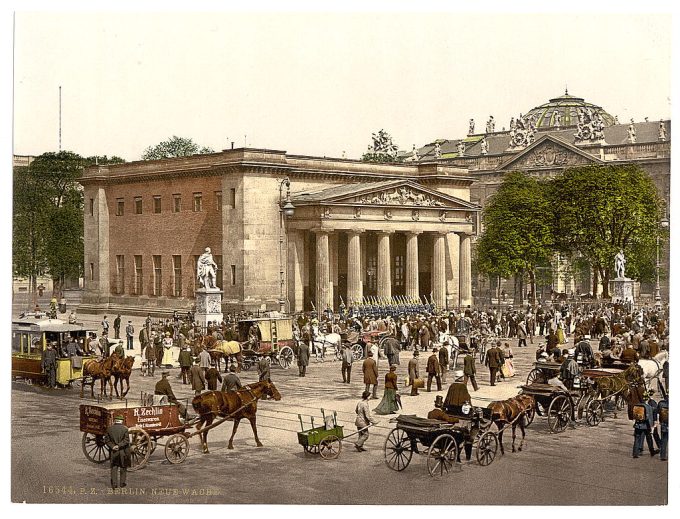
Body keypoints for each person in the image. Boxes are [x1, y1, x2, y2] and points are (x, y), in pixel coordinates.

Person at [105, 415, 130, 489]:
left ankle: (114, 484)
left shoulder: (109, 429)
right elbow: (126, 441)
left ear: (115, 421)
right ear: (121, 421)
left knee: (114, 467)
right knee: (123, 467)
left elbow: (107, 440)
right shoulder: (125, 429)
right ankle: (122, 483)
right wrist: (119, 446)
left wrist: (113, 446)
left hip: (113, 452)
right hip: (122, 451)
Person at [657, 391, 668, 461]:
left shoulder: (661, 403)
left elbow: (658, 412)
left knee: (664, 440)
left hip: (663, 424)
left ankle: (662, 455)